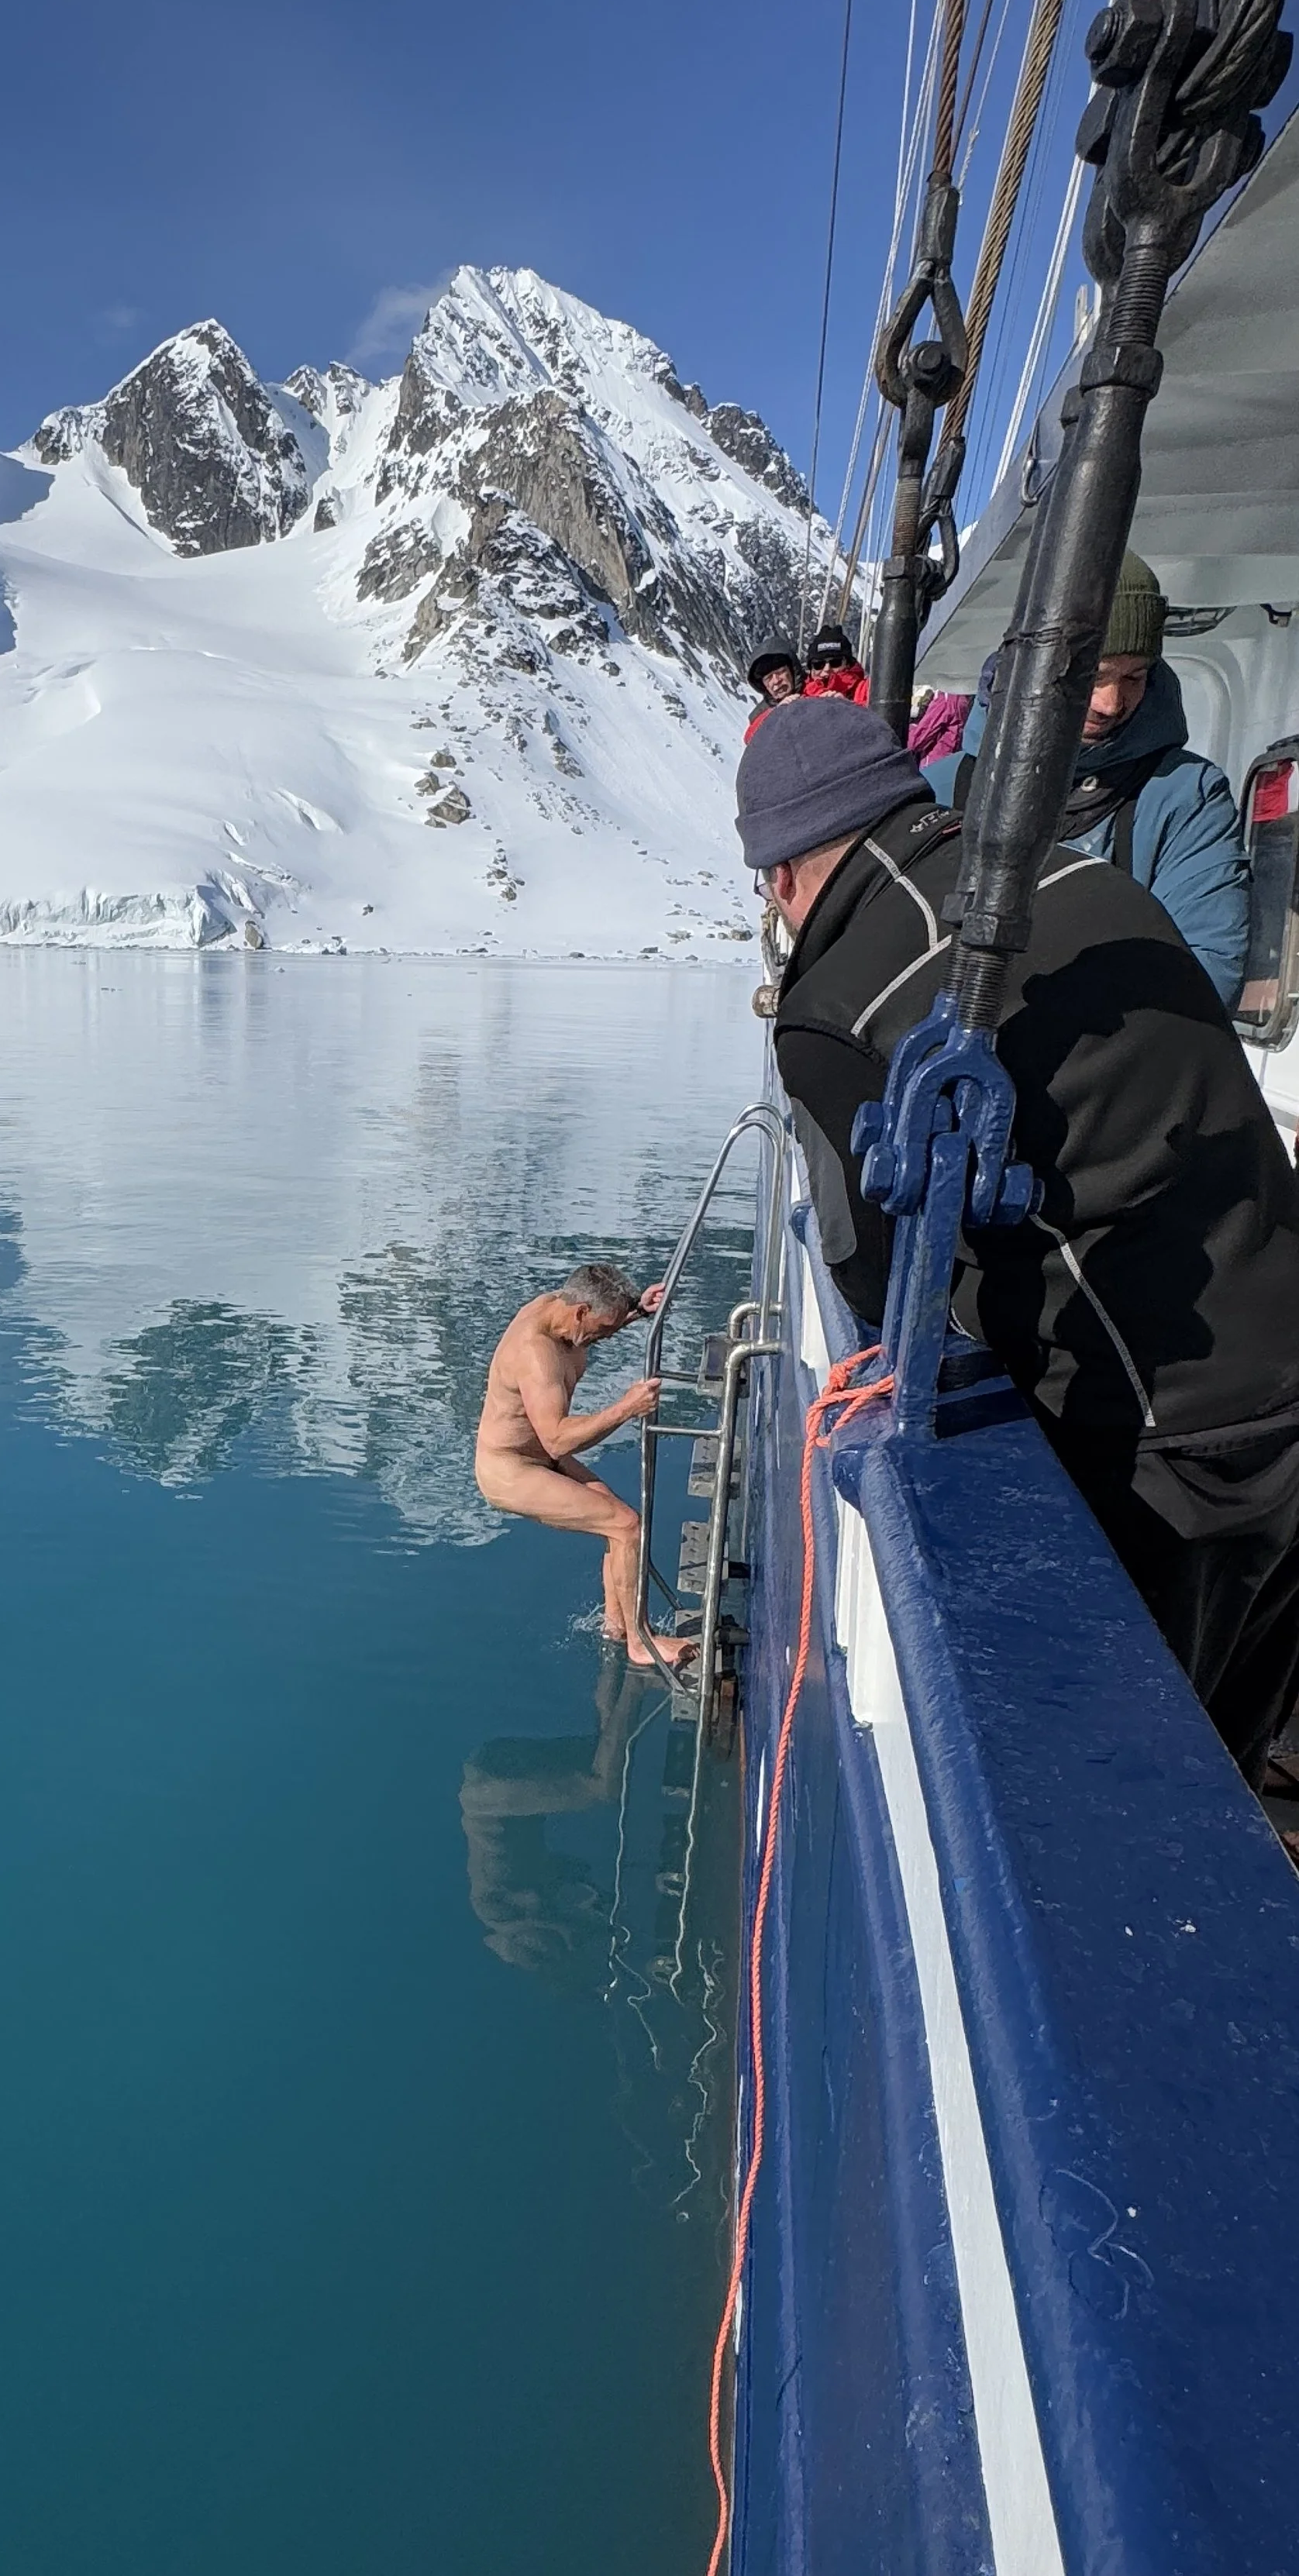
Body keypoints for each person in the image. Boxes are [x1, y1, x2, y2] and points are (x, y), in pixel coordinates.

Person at [738, 696, 1299, 1786]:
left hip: (1167, 1433)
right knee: (1244, 1736)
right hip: (1286, 1346)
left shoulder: (834, 1006)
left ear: (783, 877)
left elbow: (873, 1275)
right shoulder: (1090, 883)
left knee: (1148, 1791)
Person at [925, 554, 1250, 1006]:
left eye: (1135, 676)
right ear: (1033, 664)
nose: (1112, 703)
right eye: (1092, 675)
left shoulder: (1186, 794)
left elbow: (1206, 973)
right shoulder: (938, 790)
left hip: (1105, 1075)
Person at [475, 1263, 691, 1672]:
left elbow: (597, 1307)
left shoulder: (559, 1310)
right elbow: (557, 1437)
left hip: (541, 1453)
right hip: (510, 1468)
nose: (602, 1337)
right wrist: (626, 1409)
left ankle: (616, 1625)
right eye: (601, 1330)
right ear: (580, 1313)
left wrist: (636, 1312)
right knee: (625, 1525)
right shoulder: (536, 1354)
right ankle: (640, 1643)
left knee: (616, 1515)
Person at [745, 645, 805, 742]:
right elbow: (750, 739)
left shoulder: (813, 689)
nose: (776, 681)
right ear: (763, 685)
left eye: (780, 672)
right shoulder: (760, 715)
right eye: (768, 678)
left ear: (792, 671)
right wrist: (777, 713)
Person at [802, 622, 870, 704]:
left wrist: (848, 707)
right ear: (811, 669)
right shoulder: (800, 697)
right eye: (819, 665)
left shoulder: (866, 691)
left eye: (835, 663)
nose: (827, 669)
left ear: (848, 664)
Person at [908, 684, 971, 766]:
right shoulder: (961, 697)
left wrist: (908, 726)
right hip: (947, 761)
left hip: (932, 764)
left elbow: (916, 741)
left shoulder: (946, 700)